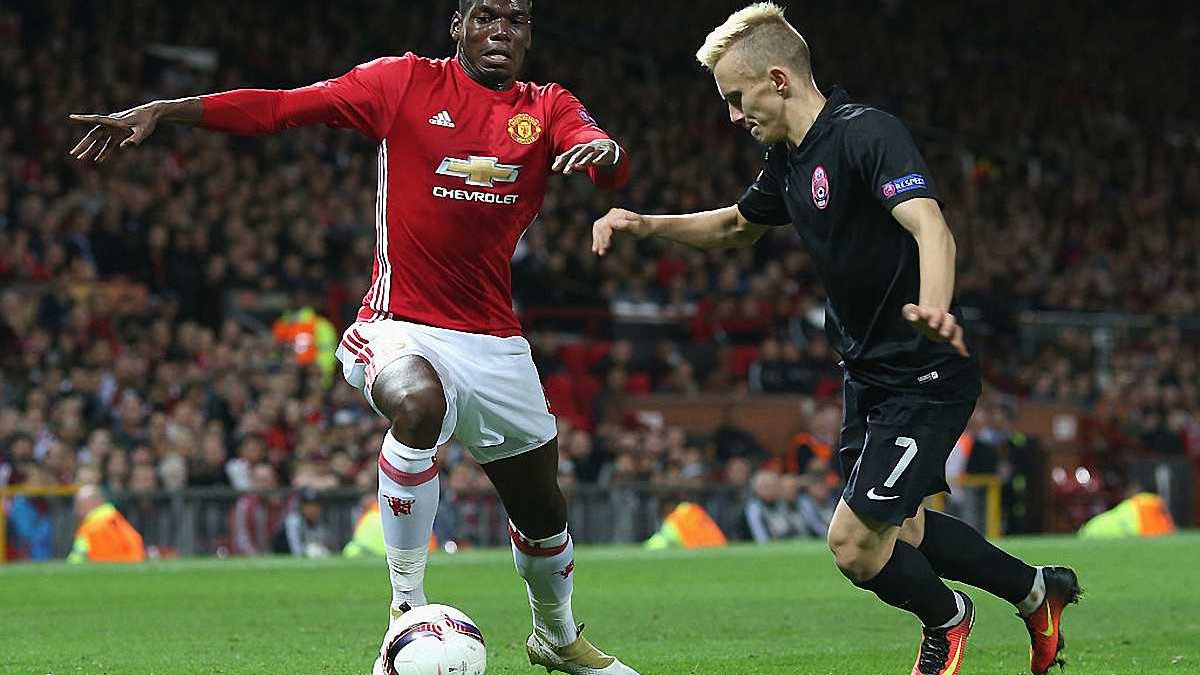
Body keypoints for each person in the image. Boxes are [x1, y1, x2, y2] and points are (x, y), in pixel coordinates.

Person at [68, 1, 636, 673]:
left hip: (493, 340)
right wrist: (169, 110)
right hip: (398, 323)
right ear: (457, 25)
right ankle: (406, 611)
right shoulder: (403, 82)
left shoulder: (545, 105)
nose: (501, 31)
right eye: (486, 16)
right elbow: (280, 107)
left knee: (542, 512)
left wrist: (605, 154)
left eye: (516, 20)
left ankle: (558, 637)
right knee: (418, 403)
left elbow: (606, 162)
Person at [591, 4, 1079, 674]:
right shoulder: (788, 160)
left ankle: (947, 618)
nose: (732, 116)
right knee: (903, 528)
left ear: (778, 79)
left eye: (736, 97)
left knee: (854, 544)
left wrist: (935, 308)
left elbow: (931, 228)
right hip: (867, 375)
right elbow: (736, 226)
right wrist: (645, 224)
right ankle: (1035, 590)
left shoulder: (866, 134)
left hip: (923, 376)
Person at [68, 484, 146, 564]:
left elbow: (76, 560)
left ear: (95, 502)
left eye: (80, 504)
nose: (76, 510)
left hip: (101, 570)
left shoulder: (88, 528)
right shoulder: (119, 521)